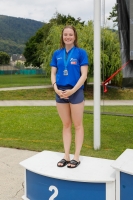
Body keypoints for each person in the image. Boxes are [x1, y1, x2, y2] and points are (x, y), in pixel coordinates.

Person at [50, 25, 89, 168]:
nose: (68, 37)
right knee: (66, 125)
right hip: (60, 92)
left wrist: (72, 91)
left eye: (70, 34)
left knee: (78, 125)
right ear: (62, 36)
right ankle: (66, 156)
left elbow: (84, 75)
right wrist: (55, 88)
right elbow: (53, 73)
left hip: (75, 91)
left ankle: (76, 157)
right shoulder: (57, 53)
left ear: (75, 36)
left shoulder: (80, 53)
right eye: (65, 34)